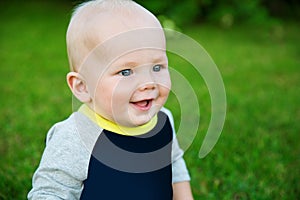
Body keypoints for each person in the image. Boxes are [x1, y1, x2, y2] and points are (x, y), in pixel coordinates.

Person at [28, 0, 193, 199]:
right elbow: (50, 192)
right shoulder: (77, 136)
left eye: (157, 67)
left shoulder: (163, 121)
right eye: (125, 72)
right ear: (83, 87)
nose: (148, 82)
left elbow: (174, 165)